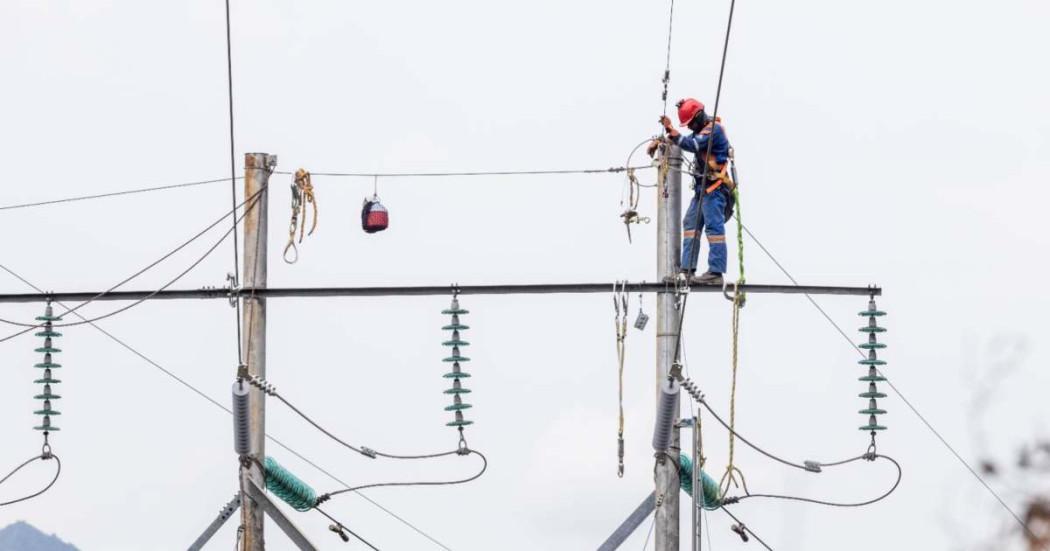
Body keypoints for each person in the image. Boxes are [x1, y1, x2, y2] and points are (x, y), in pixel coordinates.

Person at [648, 98, 733, 285]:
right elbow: (686, 140)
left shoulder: (713, 130)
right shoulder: (700, 131)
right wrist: (663, 139)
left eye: (692, 123)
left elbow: (692, 145)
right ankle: (687, 270)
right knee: (690, 225)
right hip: (702, 191)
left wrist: (672, 132)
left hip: (715, 190)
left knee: (714, 228)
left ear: (699, 116)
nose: (691, 127)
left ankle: (716, 273)